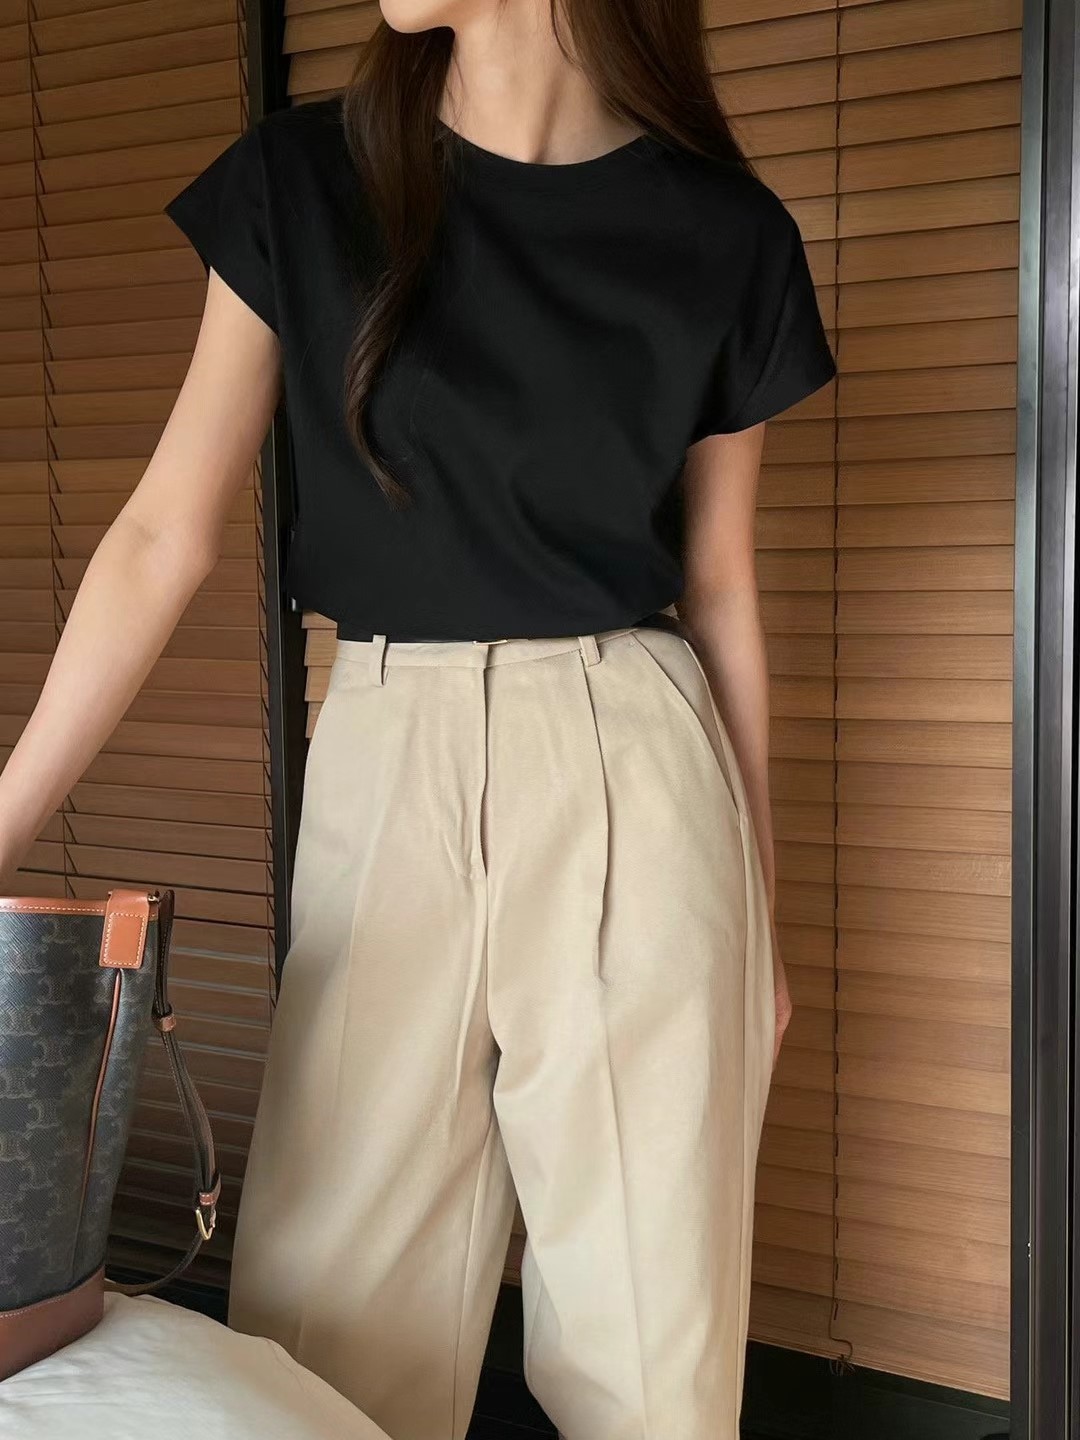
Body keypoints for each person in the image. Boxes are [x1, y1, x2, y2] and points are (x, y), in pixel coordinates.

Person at [0, 2, 836, 1437]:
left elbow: (719, 588)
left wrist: (760, 913)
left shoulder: (726, 234)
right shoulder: (304, 185)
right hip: (387, 747)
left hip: (637, 761)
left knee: (654, 1348)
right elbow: (159, 537)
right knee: (325, 1338)